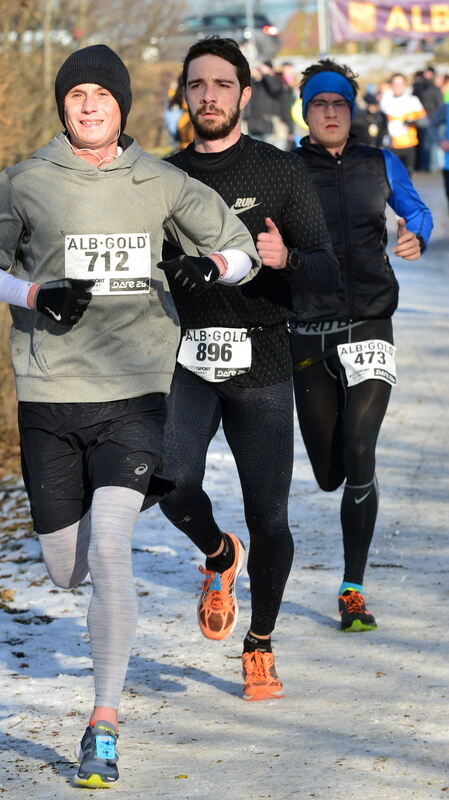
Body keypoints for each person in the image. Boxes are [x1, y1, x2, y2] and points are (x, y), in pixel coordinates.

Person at [0, 44, 259, 788]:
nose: (88, 105)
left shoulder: (159, 179)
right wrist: (33, 295)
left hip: (136, 393)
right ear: (61, 106)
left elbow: (242, 251)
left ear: (122, 105)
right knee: (67, 570)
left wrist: (205, 267)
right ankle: (196, 554)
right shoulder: (27, 179)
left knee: (110, 549)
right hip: (50, 395)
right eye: (76, 94)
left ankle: (103, 722)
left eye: (101, 94)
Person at [158, 37, 339, 701]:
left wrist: (285, 256)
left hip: (262, 359)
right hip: (186, 357)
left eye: (221, 84)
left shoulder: (279, 173)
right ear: (185, 93)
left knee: (270, 519)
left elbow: (325, 269)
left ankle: (258, 643)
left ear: (241, 93)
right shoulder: (161, 177)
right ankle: (216, 554)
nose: (209, 95)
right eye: (197, 84)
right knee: (168, 482)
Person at [291, 58, 433, 633]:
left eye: (340, 104)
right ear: (307, 111)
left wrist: (415, 233)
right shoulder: (287, 170)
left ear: (352, 111)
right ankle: (342, 482)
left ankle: (353, 587)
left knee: (360, 451)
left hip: (371, 323)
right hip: (308, 332)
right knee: (328, 471)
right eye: (321, 104)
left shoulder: (380, 163)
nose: (331, 112)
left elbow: (418, 209)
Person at [380, 72, 428, 173]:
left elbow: (425, 121)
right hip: (391, 145)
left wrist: (413, 121)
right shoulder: (385, 101)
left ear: (405, 85)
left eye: (400, 84)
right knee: (392, 178)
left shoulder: (413, 101)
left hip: (409, 144)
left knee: (407, 177)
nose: (398, 87)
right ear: (391, 85)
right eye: (395, 84)